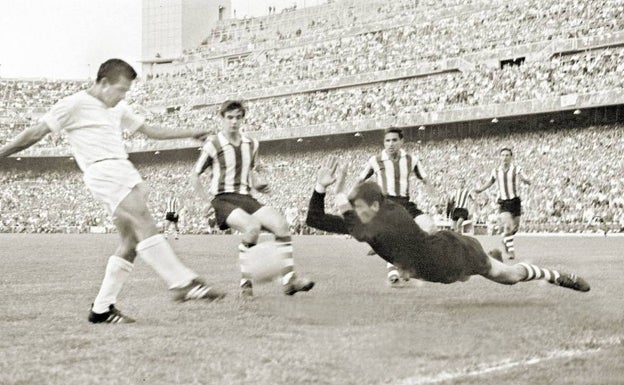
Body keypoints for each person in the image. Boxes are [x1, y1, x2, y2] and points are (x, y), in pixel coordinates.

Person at [0, 59, 225, 324]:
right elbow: (35, 132)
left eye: (126, 91)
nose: (123, 96)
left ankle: (102, 309)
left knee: (130, 242)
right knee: (143, 220)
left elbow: (150, 131)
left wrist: (192, 132)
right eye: (120, 89)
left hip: (123, 169)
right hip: (104, 170)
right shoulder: (73, 104)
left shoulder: (118, 107)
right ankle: (180, 281)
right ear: (104, 83)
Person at [305, 157, 590, 293]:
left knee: (508, 276)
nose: (355, 212)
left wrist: (341, 193)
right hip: (435, 269)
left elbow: (353, 222)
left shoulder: (392, 217)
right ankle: (493, 256)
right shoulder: (367, 223)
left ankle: (553, 275)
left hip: (451, 253)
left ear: (376, 206)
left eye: (360, 208)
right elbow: (314, 219)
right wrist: (320, 187)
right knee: (487, 272)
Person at [190, 100, 314, 298]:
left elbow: (251, 171)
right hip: (222, 199)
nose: (234, 122)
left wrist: (258, 184)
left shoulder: (252, 144)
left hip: (246, 197)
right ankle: (246, 281)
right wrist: (206, 201)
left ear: (242, 119)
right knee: (252, 227)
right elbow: (195, 175)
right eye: (229, 117)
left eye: (238, 117)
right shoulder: (213, 145)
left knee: (281, 225)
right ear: (222, 118)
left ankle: (289, 280)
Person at [357, 127, 437, 286]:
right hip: (385, 204)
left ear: (401, 141)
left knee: (431, 228)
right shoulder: (375, 160)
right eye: (387, 140)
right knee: (394, 236)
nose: (391, 144)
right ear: (383, 143)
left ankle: (394, 258)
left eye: (394, 140)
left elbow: (425, 179)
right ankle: (394, 270)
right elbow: (360, 181)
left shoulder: (411, 160)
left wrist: (433, 196)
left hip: (405, 203)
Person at [473, 147, 531, 260]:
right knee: (508, 226)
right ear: (500, 157)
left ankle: (506, 240)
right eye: (503, 155)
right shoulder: (496, 171)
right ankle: (511, 252)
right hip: (503, 202)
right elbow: (490, 182)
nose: (505, 157)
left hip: (515, 201)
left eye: (507, 155)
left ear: (511, 157)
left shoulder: (516, 169)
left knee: (514, 228)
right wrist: (480, 189)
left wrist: (525, 180)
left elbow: (525, 178)